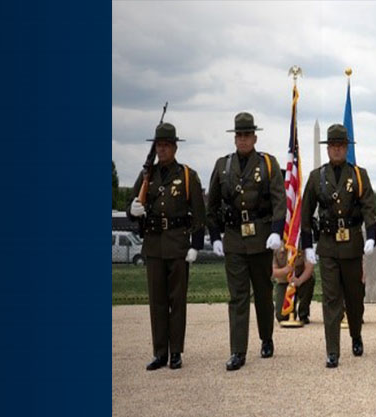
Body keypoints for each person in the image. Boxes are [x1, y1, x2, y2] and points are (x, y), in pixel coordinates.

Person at [207, 112, 286, 371]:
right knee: (238, 296)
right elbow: (212, 205)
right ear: (235, 138)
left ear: (255, 137)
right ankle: (238, 351)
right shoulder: (222, 166)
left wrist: (276, 231)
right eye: (239, 135)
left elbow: (279, 201)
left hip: (261, 237)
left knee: (263, 292)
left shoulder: (268, 164)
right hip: (233, 238)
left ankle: (266, 338)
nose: (243, 140)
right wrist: (215, 235)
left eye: (247, 135)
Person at [128, 122, 206, 371]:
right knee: (157, 301)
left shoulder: (186, 175)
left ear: (174, 147)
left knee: (177, 300)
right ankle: (159, 352)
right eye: (158, 145)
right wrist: (133, 211)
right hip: (153, 244)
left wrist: (195, 244)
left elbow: (198, 214)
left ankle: (176, 352)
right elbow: (134, 205)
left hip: (177, 244)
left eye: (165, 145)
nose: (161, 150)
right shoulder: (146, 175)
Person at [298, 123, 376, 368]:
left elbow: (369, 209)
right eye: (332, 146)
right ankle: (332, 350)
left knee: (354, 298)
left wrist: (372, 235)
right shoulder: (316, 177)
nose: (336, 150)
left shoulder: (359, 175)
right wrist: (308, 245)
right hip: (328, 245)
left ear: (346, 148)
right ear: (328, 148)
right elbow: (306, 212)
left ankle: (356, 334)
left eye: (341, 146)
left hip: (352, 243)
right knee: (331, 299)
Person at [272, 246, 314, 325]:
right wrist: (285, 270)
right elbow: (272, 271)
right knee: (282, 317)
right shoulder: (276, 243)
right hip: (284, 282)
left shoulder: (302, 241)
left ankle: (303, 313)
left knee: (310, 281)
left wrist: (299, 280)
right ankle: (291, 311)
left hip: (300, 279)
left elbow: (310, 267)